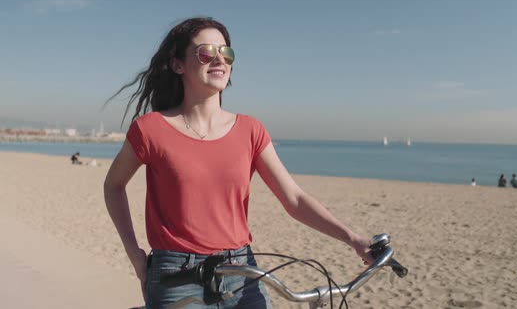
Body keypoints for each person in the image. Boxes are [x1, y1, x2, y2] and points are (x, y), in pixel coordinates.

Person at [103, 17, 373, 309]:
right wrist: (135, 254)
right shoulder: (151, 128)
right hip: (176, 275)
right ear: (178, 64)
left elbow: (294, 198)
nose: (219, 59)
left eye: (226, 52)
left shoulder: (251, 130)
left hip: (242, 271)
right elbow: (113, 186)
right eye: (206, 52)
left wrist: (354, 239)